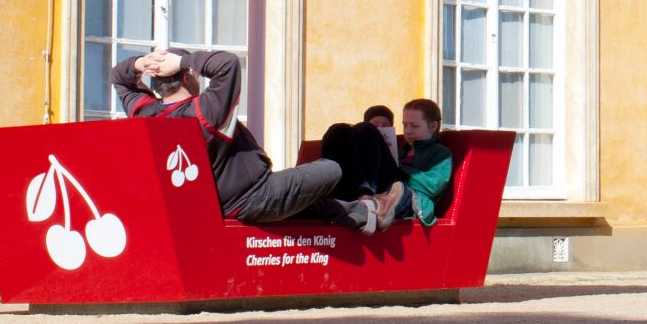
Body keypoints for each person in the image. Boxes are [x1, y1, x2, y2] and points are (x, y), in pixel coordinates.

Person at [112, 47, 385, 232]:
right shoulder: (203, 111)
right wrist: (183, 61)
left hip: (227, 200)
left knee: (307, 202)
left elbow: (118, 78)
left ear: (157, 82)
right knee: (331, 169)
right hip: (252, 198)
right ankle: (371, 201)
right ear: (187, 77)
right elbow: (227, 64)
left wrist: (138, 64)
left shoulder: (146, 113)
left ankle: (365, 215)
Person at [318, 104, 406, 220]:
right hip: (352, 188)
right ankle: (332, 192)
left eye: (385, 125)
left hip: (388, 187)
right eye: (376, 125)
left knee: (365, 128)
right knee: (338, 130)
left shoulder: (404, 146)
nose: (380, 128)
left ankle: (365, 195)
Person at [396, 98, 456, 226]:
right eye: (405, 125)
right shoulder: (401, 149)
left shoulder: (441, 153)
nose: (407, 131)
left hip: (414, 204)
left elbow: (431, 186)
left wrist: (398, 169)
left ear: (433, 126)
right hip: (390, 196)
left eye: (414, 126)